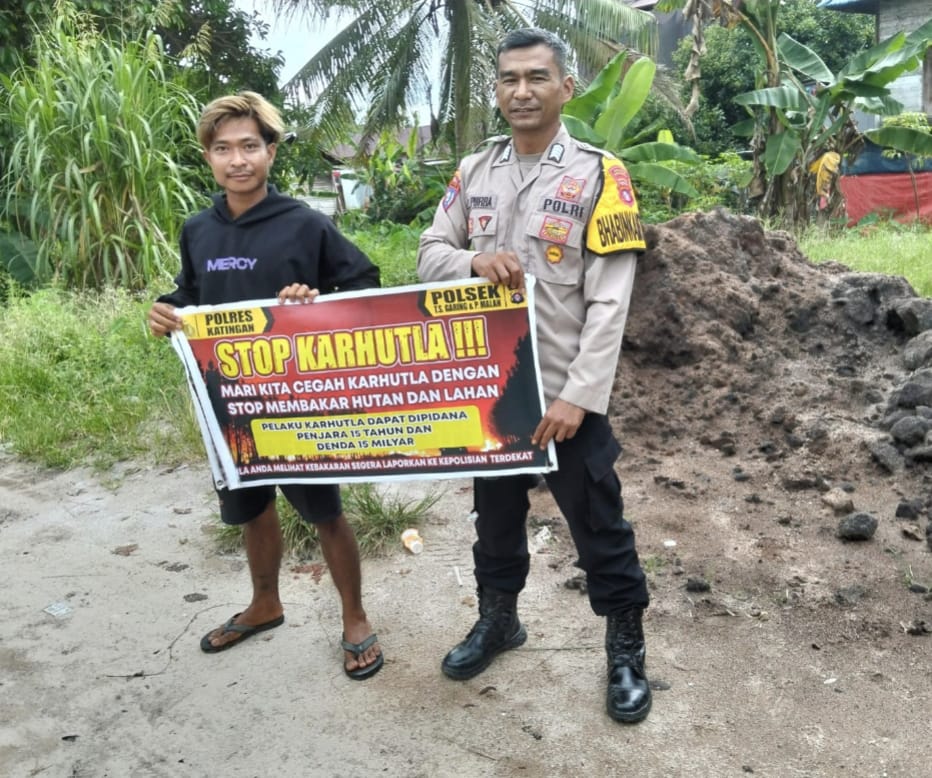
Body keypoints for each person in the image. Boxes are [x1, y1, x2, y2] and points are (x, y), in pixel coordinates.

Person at [417, 28, 651, 722]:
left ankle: (626, 648)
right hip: (493, 390)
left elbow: (612, 297)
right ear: (497, 90)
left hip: (563, 392)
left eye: (537, 78)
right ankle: (499, 620)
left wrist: (580, 396)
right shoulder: (475, 170)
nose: (521, 91)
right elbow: (430, 250)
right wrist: (470, 261)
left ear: (565, 88)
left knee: (598, 525)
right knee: (494, 518)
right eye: (509, 79)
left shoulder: (600, 175)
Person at [148, 91, 383, 680]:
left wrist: (316, 299)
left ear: (271, 151)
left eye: (250, 146)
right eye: (223, 148)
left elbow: (365, 286)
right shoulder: (197, 229)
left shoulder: (304, 222)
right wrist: (166, 308)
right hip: (226, 400)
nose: (237, 160)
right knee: (252, 509)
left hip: (295, 401)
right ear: (207, 157)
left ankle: (354, 617)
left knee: (325, 512)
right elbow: (191, 295)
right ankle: (264, 603)